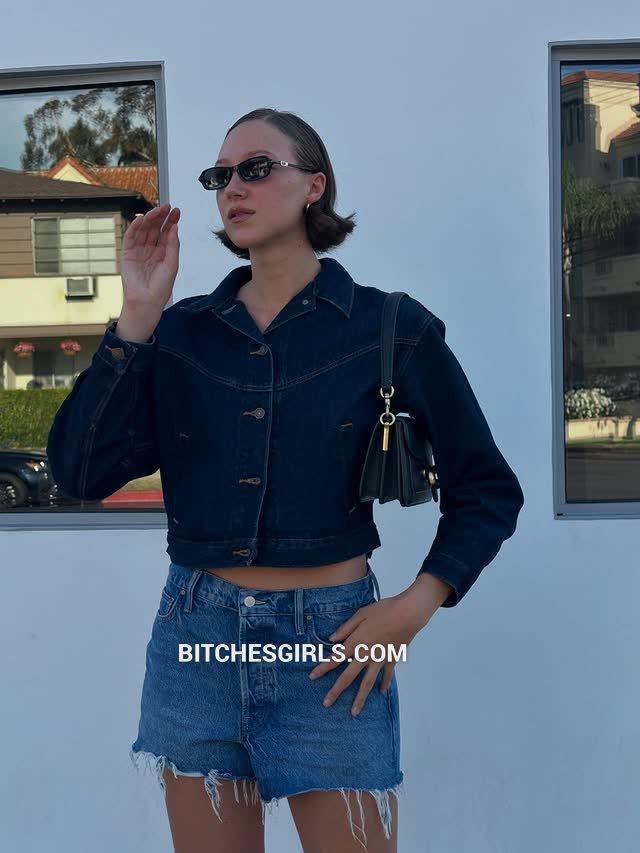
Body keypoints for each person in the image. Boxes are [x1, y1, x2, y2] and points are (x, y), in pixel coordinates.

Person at [46, 108, 524, 853]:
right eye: (220, 176)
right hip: (197, 641)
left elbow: (486, 489)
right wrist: (137, 314)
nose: (232, 187)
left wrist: (414, 606)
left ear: (314, 186)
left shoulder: (390, 329)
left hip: (332, 648)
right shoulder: (179, 334)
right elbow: (79, 470)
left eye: (257, 168)